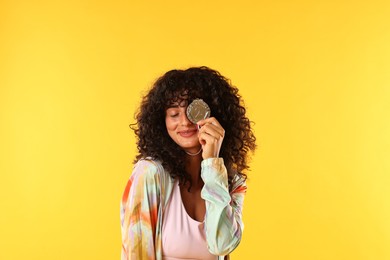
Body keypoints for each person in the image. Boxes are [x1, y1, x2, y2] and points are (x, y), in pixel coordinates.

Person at [120, 66, 256, 260]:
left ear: (214, 113)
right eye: (174, 114)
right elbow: (136, 254)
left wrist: (212, 164)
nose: (184, 122)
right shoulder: (150, 174)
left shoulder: (232, 181)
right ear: (162, 121)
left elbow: (222, 245)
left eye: (194, 111)